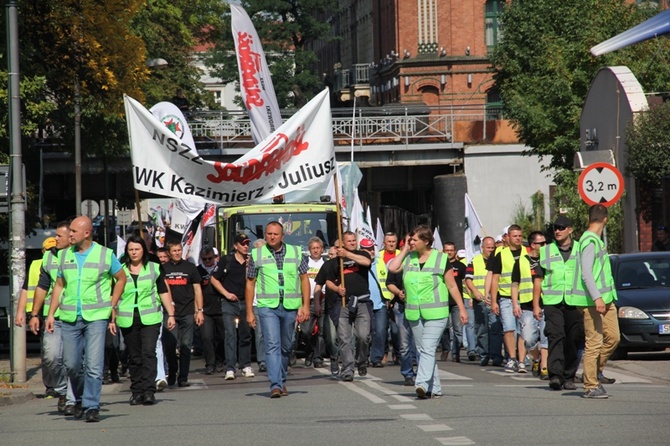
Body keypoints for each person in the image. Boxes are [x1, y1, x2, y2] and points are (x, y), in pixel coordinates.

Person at [45, 216, 127, 423]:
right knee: (71, 365)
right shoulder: (64, 256)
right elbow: (59, 286)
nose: (69, 234)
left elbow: (121, 278)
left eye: (73, 231)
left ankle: (92, 405)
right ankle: (79, 399)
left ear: (87, 233)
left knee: (93, 365)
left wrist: (112, 304)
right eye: (70, 231)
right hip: (70, 317)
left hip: (96, 317)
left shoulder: (105, 254)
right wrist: (51, 313)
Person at [388, 225, 468, 400]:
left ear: (426, 241)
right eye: (410, 240)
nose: (411, 242)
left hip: (436, 313)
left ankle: (422, 384)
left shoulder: (440, 258)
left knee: (428, 348)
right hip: (414, 313)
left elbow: (452, 285)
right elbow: (393, 268)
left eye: (414, 240)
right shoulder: (409, 257)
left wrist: (462, 309)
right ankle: (435, 388)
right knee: (424, 350)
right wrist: (404, 251)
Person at [245, 222, 310, 398]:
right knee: (272, 344)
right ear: (265, 235)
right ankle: (275, 385)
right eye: (269, 234)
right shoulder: (257, 254)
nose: (272, 237)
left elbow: (304, 279)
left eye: (275, 234)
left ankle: (281, 379)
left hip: (290, 306)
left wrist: (305, 306)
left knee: (286, 346)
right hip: (268, 307)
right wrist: (250, 311)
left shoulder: (296, 252)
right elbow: (250, 283)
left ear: (282, 236)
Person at [110, 235, 175, 406]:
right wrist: (112, 317)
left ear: (143, 251)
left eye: (137, 249)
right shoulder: (120, 270)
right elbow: (113, 296)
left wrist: (171, 314)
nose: (134, 252)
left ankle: (149, 391)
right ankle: (136, 391)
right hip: (128, 318)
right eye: (131, 249)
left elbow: (163, 291)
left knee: (148, 352)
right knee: (134, 356)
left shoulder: (154, 268)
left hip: (150, 318)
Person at [574, 204, 620, 399]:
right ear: (606, 220)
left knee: (614, 337)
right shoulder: (590, 241)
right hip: (592, 300)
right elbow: (586, 274)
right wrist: (597, 297)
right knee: (594, 343)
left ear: (589, 219)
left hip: (606, 298)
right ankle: (590, 385)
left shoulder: (596, 241)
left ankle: (594, 372)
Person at [533, 215, 583, 390]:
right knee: (556, 336)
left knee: (573, 339)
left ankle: (569, 376)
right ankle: (555, 375)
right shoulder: (546, 251)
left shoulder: (581, 249)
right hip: (553, 302)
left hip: (575, 302)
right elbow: (539, 279)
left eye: (562, 227)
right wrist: (536, 304)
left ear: (570, 229)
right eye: (555, 227)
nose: (558, 230)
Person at [29, 222, 74, 413]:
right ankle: (62, 391)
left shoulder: (79, 256)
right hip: (53, 317)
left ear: (71, 238)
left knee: (73, 361)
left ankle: (72, 397)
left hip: (76, 316)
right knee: (52, 357)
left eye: (59, 236)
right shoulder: (49, 257)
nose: (55, 239)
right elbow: (42, 286)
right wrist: (34, 314)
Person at [324, 231, 373, 382]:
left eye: (354, 240)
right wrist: (337, 289)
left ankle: (362, 360)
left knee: (364, 337)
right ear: (343, 243)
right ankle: (348, 369)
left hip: (362, 303)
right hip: (344, 304)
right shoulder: (336, 261)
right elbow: (328, 281)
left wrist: (348, 254)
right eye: (349, 241)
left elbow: (367, 262)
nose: (352, 243)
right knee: (344, 338)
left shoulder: (361, 254)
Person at [161, 240, 204, 387]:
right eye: (174, 251)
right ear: (169, 253)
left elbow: (197, 290)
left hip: (187, 312)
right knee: (170, 345)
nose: (177, 253)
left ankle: (183, 376)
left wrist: (199, 311)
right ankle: (172, 371)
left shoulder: (190, 267)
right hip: (170, 312)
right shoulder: (163, 269)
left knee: (186, 345)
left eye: (179, 250)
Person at [211, 235, 255, 379]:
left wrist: (249, 267)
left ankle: (246, 365)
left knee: (245, 335)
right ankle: (230, 368)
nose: (246, 247)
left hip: (245, 301)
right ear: (236, 246)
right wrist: (226, 293)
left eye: (247, 244)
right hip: (229, 303)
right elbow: (214, 279)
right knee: (230, 335)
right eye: (242, 244)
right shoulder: (226, 260)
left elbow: (253, 280)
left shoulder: (251, 261)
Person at [465, 236, 504, 367]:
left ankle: (496, 356)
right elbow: (468, 279)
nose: (491, 250)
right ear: (482, 247)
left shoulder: (499, 258)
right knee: (481, 329)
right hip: (480, 300)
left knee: (495, 328)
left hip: (494, 299)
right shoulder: (474, 260)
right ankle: (484, 355)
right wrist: (475, 292)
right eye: (488, 248)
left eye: (493, 247)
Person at [490, 224, 524, 373]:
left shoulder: (527, 253)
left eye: (520, 236)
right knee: (509, 328)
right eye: (514, 236)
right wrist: (493, 300)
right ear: (508, 238)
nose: (517, 238)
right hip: (506, 297)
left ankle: (522, 360)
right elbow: (495, 279)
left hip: (525, 297)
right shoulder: (501, 254)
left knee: (523, 330)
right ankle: (511, 358)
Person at [510, 231, 543, 374]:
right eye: (540, 243)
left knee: (547, 338)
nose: (544, 245)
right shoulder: (521, 261)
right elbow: (515, 284)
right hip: (527, 305)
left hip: (547, 303)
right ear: (532, 245)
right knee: (529, 338)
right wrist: (515, 304)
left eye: (545, 243)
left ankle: (545, 367)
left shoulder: (548, 260)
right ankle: (537, 358)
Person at [361, 238, 390, 369]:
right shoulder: (358, 263)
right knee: (365, 333)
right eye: (367, 249)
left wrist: (388, 297)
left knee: (380, 331)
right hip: (364, 303)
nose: (371, 251)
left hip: (380, 303)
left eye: (372, 248)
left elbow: (386, 280)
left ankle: (376, 358)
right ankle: (363, 357)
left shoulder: (379, 262)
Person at [197, 246, 226, 376]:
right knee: (207, 337)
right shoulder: (198, 271)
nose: (207, 261)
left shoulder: (220, 269)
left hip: (220, 308)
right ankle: (210, 364)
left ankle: (221, 360)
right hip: (206, 310)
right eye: (204, 259)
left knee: (222, 337)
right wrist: (198, 310)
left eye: (210, 258)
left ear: (214, 257)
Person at [301, 237, 326, 368]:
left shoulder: (326, 263)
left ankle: (318, 357)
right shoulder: (304, 262)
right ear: (309, 250)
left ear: (322, 249)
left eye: (318, 248)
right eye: (313, 248)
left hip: (323, 300)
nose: (315, 250)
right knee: (306, 331)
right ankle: (309, 351)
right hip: (308, 301)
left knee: (322, 331)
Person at [250, 238, 267, 373]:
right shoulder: (251, 264)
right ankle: (262, 361)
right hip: (256, 304)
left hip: (270, 303)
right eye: (257, 250)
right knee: (260, 333)